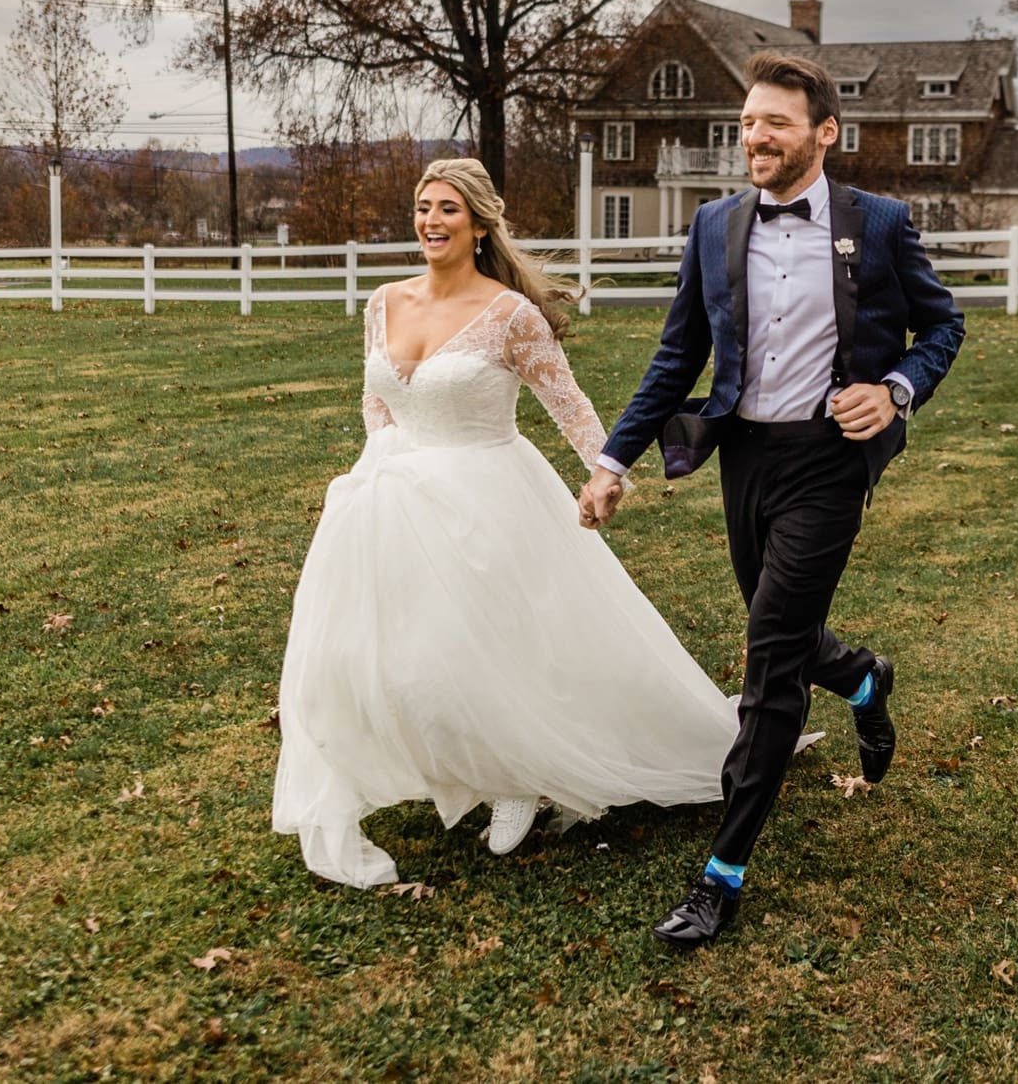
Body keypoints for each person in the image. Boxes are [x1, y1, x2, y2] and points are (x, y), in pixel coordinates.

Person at [271, 157, 761, 888]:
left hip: (488, 496)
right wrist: (380, 466)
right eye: (424, 207)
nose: (431, 221)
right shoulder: (384, 302)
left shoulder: (510, 315)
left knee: (491, 645)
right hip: (389, 499)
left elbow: (569, 403)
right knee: (393, 654)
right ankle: (453, 763)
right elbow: (377, 400)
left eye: (447, 209)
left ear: (477, 224)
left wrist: (605, 472)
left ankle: (516, 777)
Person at [578, 50, 965, 948]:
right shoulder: (714, 224)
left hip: (831, 461)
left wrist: (897, 389)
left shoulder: (879, 223)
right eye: (748, 122)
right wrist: (612, 461)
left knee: (770, 662)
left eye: (775, 123)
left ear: (824, 133)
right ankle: (862, 677)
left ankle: (721, 875)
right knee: (774, 620)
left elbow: (942, 323)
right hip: (744, 458)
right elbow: (679, 353)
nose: (755, 136)